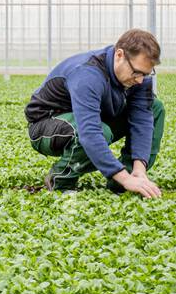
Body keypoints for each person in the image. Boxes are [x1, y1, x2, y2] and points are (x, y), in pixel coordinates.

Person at [24, 29, 165, 196]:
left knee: (155, 107)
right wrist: (125, 178)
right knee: (99, 132)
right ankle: (61, 180)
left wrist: (139, 169)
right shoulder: (87, 74)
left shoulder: (139, 77)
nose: (140, 79)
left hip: (88, 119)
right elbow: (89, 133)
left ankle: (123, 180)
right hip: (46, 125)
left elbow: (142, 119)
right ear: (119, 55)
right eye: (136, 72)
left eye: (146, 74)